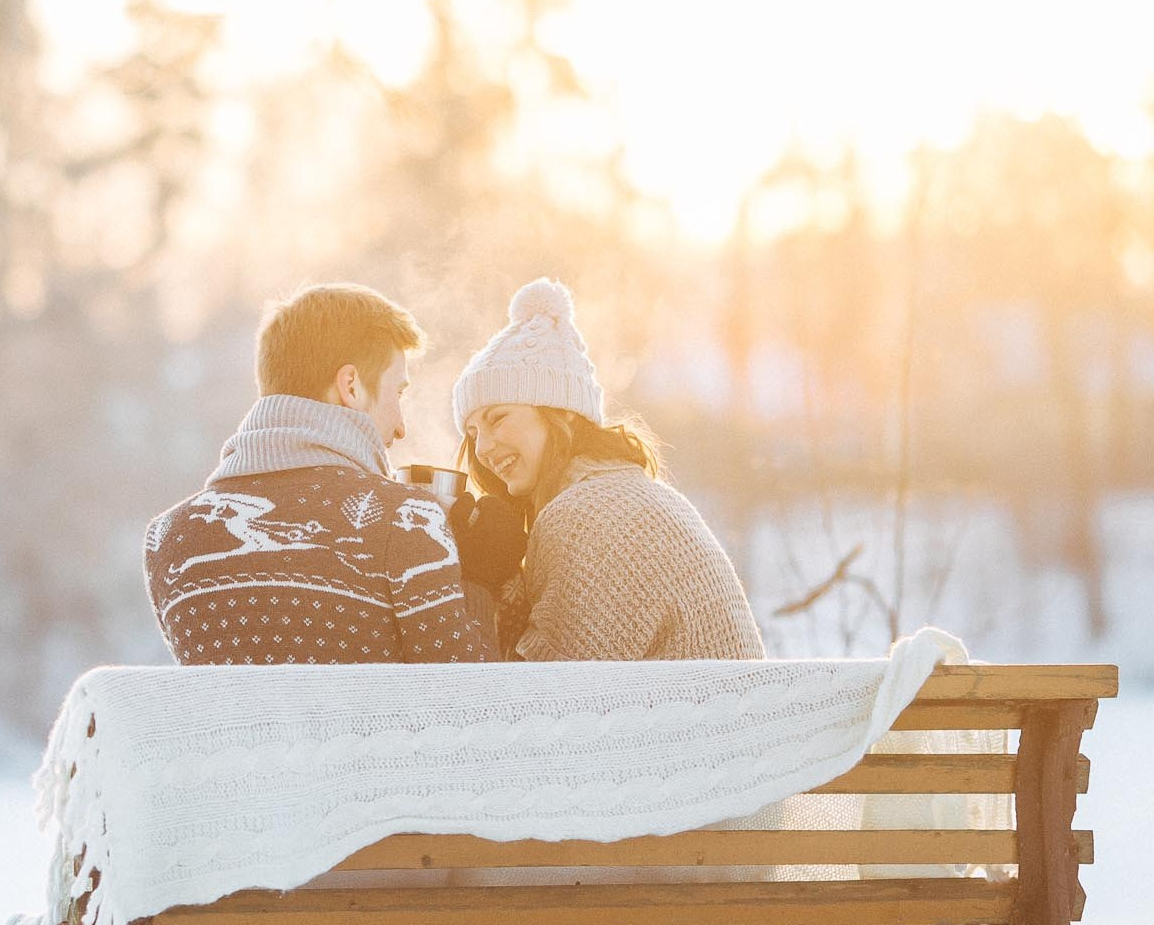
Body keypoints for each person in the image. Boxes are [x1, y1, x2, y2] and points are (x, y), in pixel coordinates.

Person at [146, 282, 493, 665]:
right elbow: (471, 703)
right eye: (399, 393)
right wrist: (475, 580)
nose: (401, 428)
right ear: (351, 386)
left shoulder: (167, 541)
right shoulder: (406, 520)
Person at [452, 278, 763, 662]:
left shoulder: (582, 516)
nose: (482, 448)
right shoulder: (623, 490)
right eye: (472, 432)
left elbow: (541, 706)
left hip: (693, 721)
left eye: (497, 418)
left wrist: (479, 582)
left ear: (561, 413)